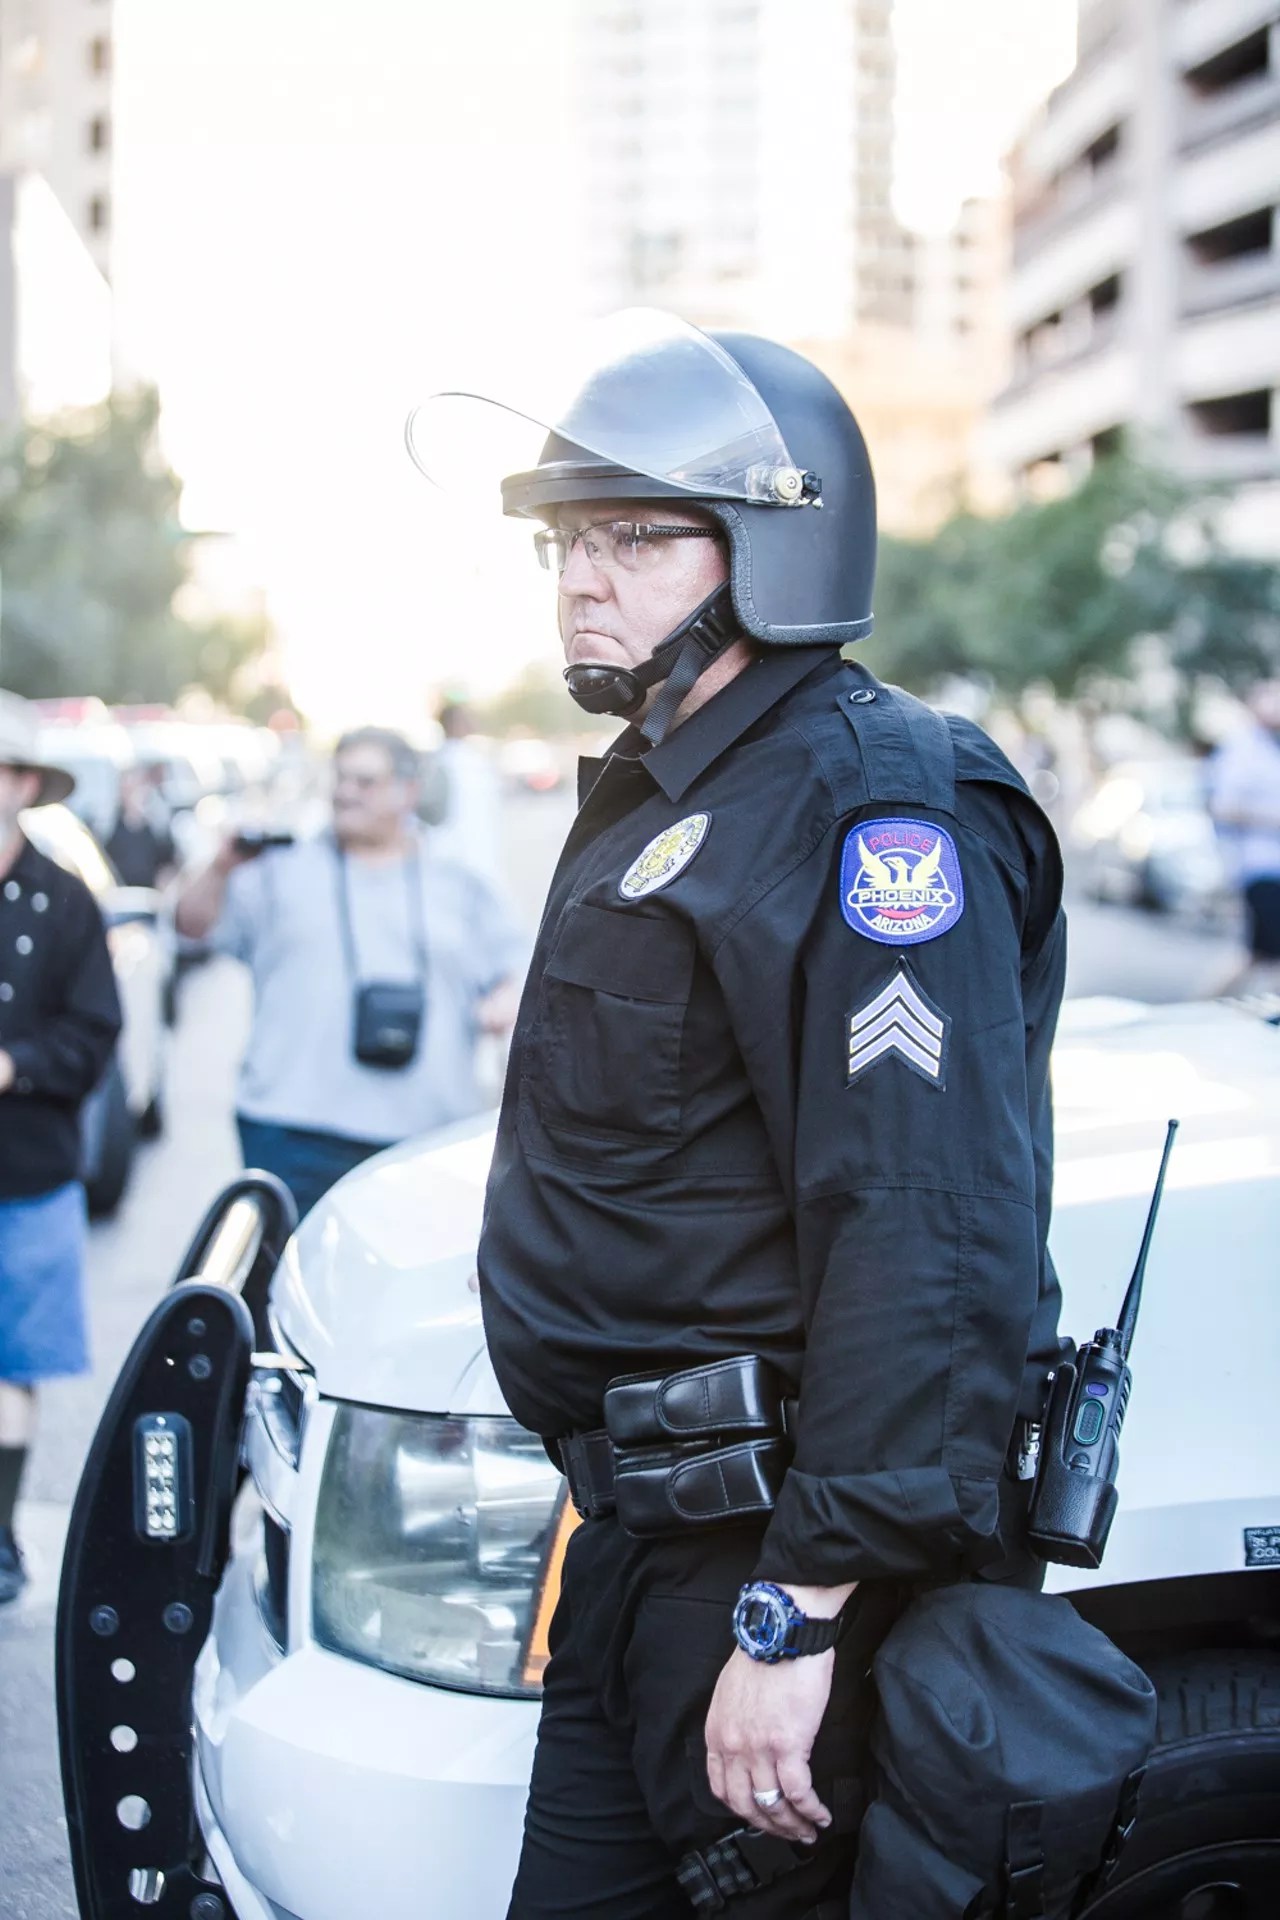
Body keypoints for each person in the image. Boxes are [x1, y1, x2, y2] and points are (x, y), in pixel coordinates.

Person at [407, 316, 1081, 1918]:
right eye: (569, 542)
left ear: (776, 548)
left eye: (637, 537)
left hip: (772, 1570)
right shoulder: (675, 787)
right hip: (635, 1548)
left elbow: (925, 1232)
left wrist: (799, 1609)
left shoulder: (876, 805)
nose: (582, 579)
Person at [175, 724, 523, 1223]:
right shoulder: (279, 866)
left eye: (366, 782)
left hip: (425, 1136)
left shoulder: (460, 878)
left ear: (408, 791)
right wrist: (220, 866)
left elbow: (519, 968)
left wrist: (504, 998)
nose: (346, 793)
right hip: (292, 1130)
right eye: (340, 779)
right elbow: (191, 928)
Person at [0, 694, 122, 1604]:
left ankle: (0, 1534)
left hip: (26, 1169)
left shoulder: (65, 899)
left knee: (11, 1365)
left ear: (25, 783)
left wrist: (15, 1065)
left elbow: (95, 1034)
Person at [1207, 680, 1280, 991]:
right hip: (1260, 868)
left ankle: (1199, 1007)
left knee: (1253, 955)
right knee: (1266, 955)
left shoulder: (1270, 747)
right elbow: (1223, 807)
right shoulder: (1242, 748)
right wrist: (1273, 819)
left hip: (1272, 869)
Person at [105, 763, 177, 890]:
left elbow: (168, 864)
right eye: (128, 789)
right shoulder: (108, 826)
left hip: (150, 894)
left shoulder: (157, 827)